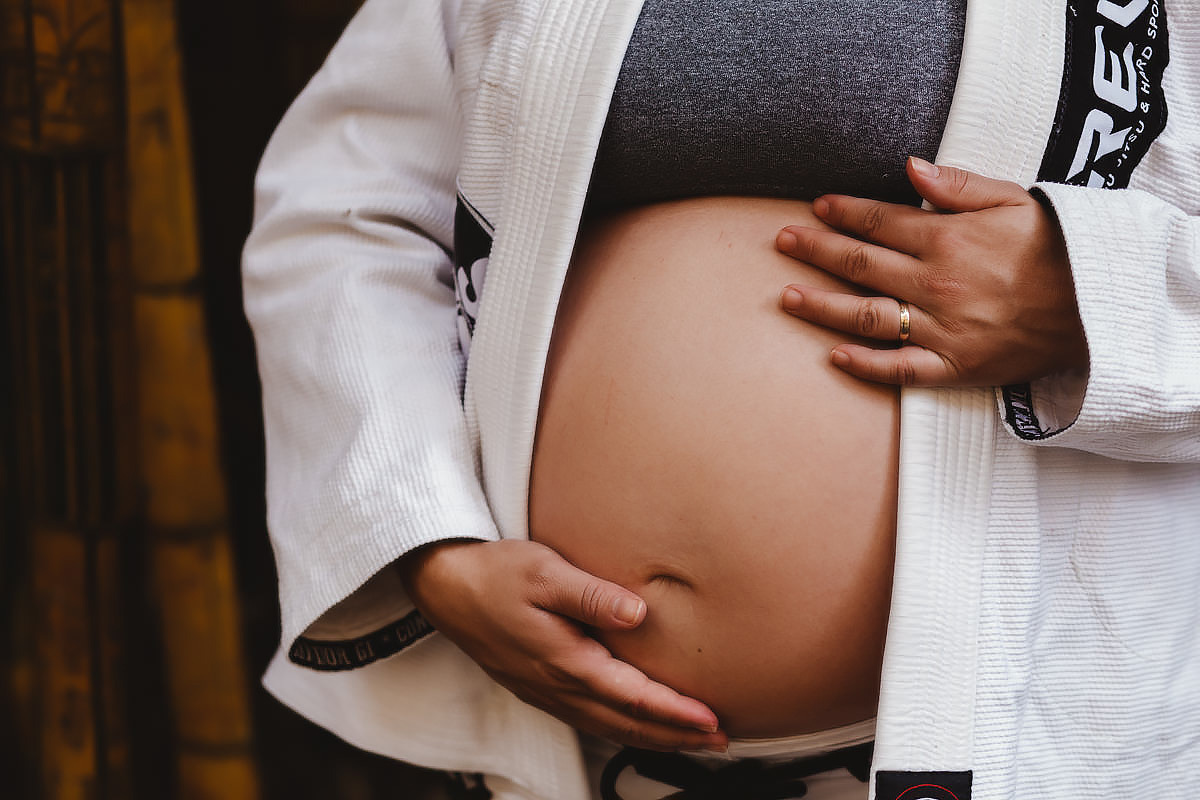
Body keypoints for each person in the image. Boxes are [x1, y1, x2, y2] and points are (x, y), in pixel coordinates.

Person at [241, 0, 1200, 798]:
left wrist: (1094, 297)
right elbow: (348, 209)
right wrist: (429, 542)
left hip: (1041, 719)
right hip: (589, 750)